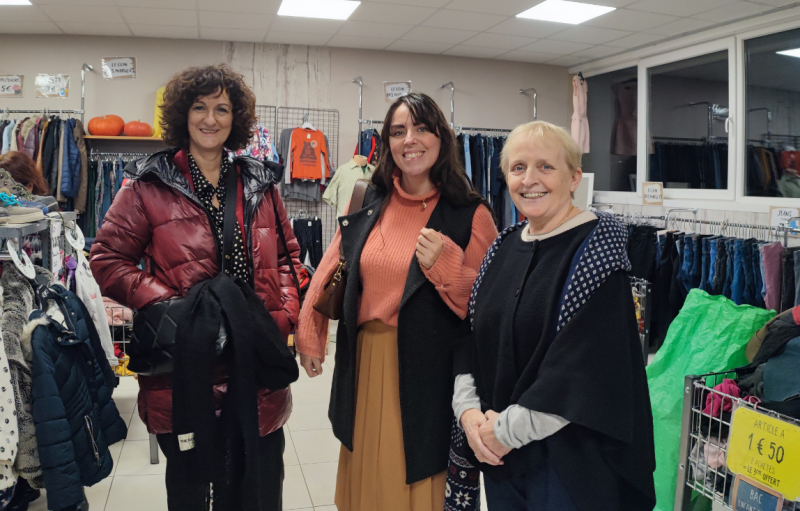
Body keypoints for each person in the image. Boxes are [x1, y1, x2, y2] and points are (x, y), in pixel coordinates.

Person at [89, 64, 301, 511]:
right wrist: (176, 308)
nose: (211, 118)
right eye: (200, 107)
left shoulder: (260, 183)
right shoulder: (147, 185)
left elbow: (288, 258)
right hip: (186, 368)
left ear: (236, 118)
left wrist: (283, 313)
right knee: (192, 488)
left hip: (254, 360)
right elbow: (107, 260)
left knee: (259, 483)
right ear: (184, 114)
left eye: (222, 108)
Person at [295, 92, 497, 511]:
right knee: (367, 475)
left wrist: (448, 269)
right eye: (398, 131)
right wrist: (309, 330)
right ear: (386, 142)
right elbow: (335, 262)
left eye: (422, 128)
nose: (411, 140)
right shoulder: (370, 200)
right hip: (365, 360)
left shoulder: (469, 213)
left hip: (430, 372)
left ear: (442, 137)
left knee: (414, 474)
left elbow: (488, 310)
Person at [454, 121, 656, 511]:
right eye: (518, 168)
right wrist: (469, 414)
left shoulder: (598, 259)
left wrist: (505, 431)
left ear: (574, 177)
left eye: (545, 167)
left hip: (570, 467)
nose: (530, 180)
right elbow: (472, 335)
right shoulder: (503, 247)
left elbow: (583, 373)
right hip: (501, 460)